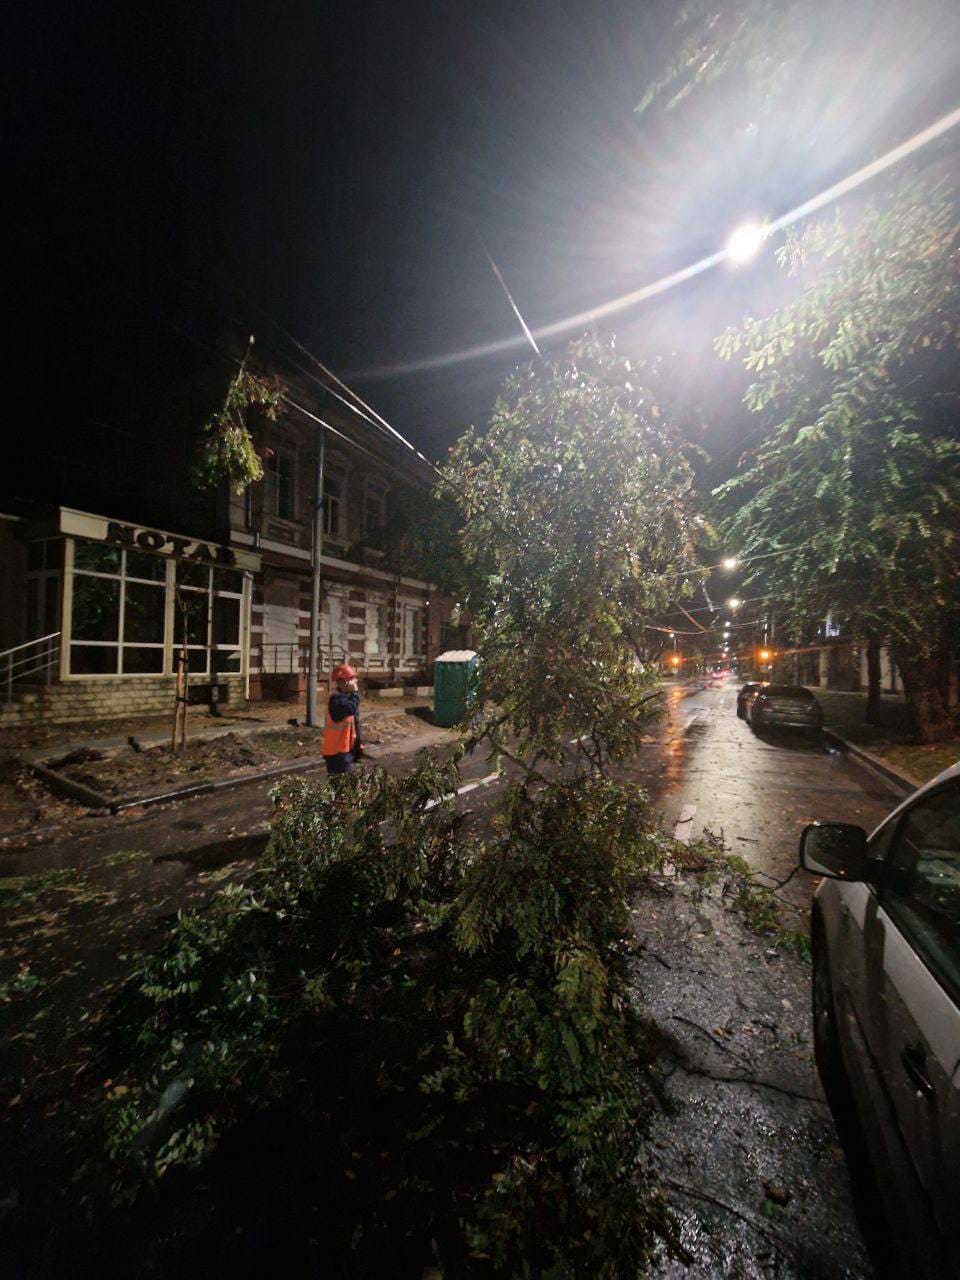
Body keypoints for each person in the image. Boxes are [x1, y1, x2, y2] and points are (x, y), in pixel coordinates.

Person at [323, 662, 363, 776]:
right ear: (342, 682)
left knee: (344, 788)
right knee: (341, 788)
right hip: (336, 753)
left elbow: (354, 725)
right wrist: (355, 692)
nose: (355, 682)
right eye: (352, 679)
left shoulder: (345, 698)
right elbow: (351, 708)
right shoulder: (336, 700)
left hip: (343, 751)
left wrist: (357, 750)